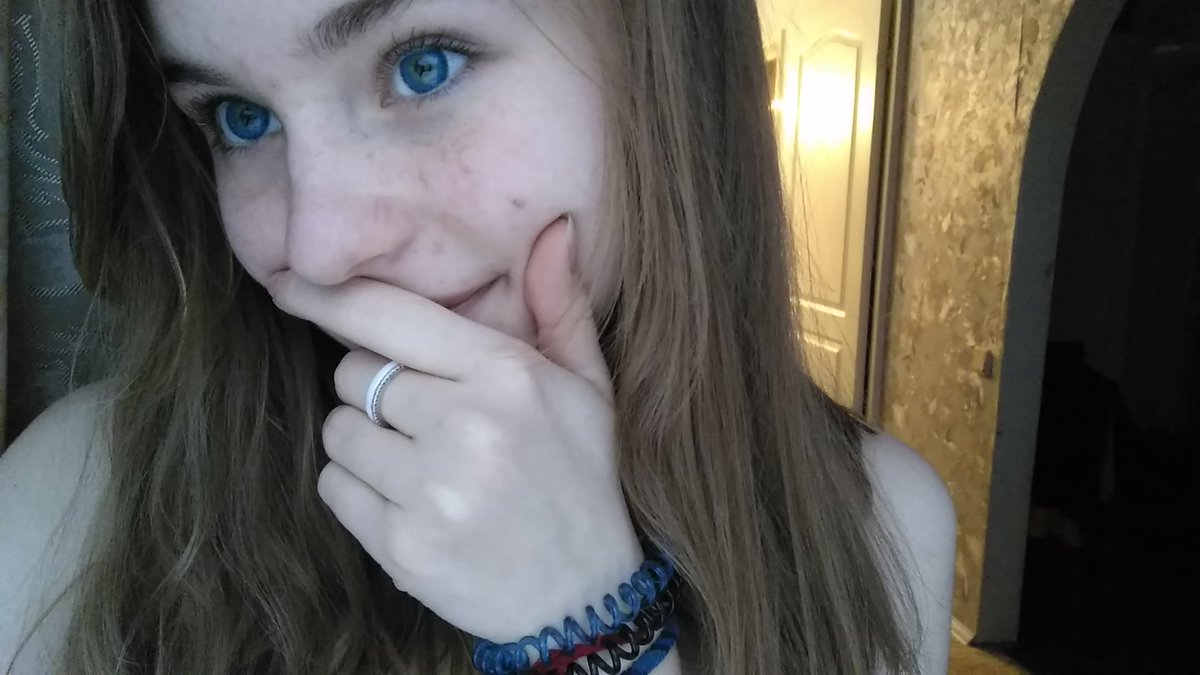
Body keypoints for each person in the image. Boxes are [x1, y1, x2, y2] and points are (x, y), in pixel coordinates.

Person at [0, 0, 957, 672]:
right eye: (241, 119)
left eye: (424, 65)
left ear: (662, 58)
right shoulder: (76, 506)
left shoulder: (875, 525)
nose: (318, 244)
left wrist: (586, 627)